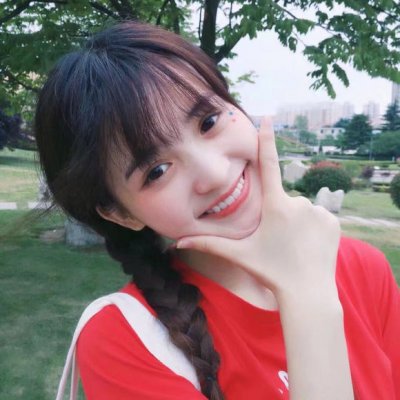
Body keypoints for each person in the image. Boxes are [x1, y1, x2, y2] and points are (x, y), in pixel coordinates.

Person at [35, 21, 399, 400]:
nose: (215, 173)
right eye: (157, 171)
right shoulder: (121, 343)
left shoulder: (363, 268)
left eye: (208, 122)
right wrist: (308, 298)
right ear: (120, 214)